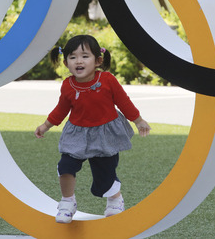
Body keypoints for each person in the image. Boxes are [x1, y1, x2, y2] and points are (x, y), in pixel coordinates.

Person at [35, 34, 151, 224]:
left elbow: (123, 101)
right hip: (77, 134)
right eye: (72, 57)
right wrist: (46, 125)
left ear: (98, 60)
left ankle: (115, 198)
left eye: (84, 56)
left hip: (105, 134)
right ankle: (67, 202)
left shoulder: (107, 80)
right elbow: (61, 109)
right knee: (65, 166)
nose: (78, 61)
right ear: (66, 63)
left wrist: (138, 120)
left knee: (105, 176)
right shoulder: (67, 86)